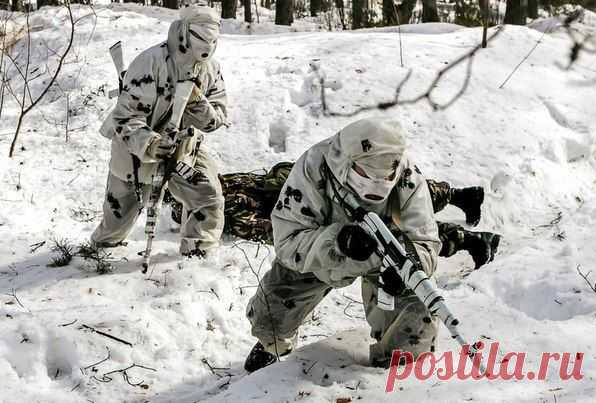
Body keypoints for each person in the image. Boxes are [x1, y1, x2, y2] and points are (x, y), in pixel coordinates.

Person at [244, 117, 442, 372]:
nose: (377, 185)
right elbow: (287, 241)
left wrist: (409, 265)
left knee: (420, 302)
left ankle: (393, 373)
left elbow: (425, 241)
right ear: (348, 162)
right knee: (270, 315)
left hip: (383, 260)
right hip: (319, 255)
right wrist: (337, 242)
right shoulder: (314, 167)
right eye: (367, 175)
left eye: (385, 177)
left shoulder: (408, 177)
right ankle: (273, 346)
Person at [91, 5, 227, 258]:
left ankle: (197, 255)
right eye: (200, 36)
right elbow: (126, 117)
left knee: (207, 196)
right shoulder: (150, 62)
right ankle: (99, 256)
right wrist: (151, 144)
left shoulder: (211, 69)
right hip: (135, 153)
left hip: (184, 151)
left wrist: (198, 103)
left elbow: (216, 120)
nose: (206, 45)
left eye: (212, 39)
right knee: (117, 220)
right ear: (186, 33)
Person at [167, 166, 501, 269]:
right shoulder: (218, 183)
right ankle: (459, 200)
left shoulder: (226, 205)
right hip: (302, 187)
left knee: (389, 222)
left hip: (305, 205)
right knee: (388, 203)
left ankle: (467, 236)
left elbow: (270, 229)